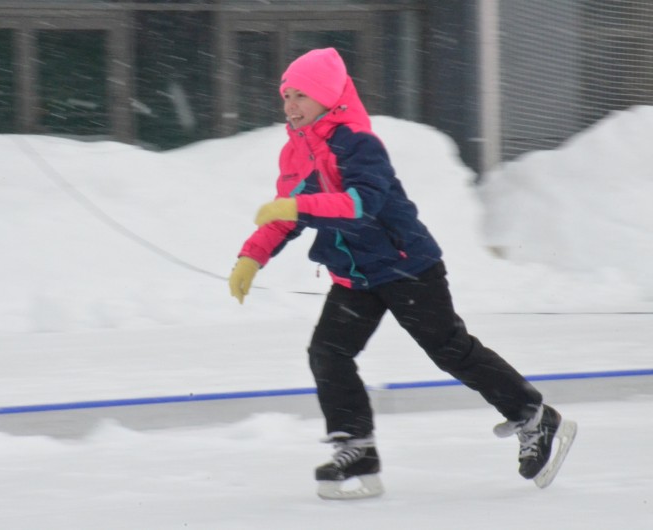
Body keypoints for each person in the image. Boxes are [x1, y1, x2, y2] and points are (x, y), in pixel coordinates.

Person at [228, 48, 577, 499]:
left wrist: (299, 205)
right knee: (328, 353)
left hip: (406, 265)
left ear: (328, 98)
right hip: (357, 276)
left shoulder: (357, 142)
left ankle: (536, 417)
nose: (290, 106)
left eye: (300, 95)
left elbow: (361, 204)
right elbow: (286, 215)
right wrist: (252, 256)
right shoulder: (296, 149)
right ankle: (356, 450)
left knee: (451, 350)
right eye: (286, 96)